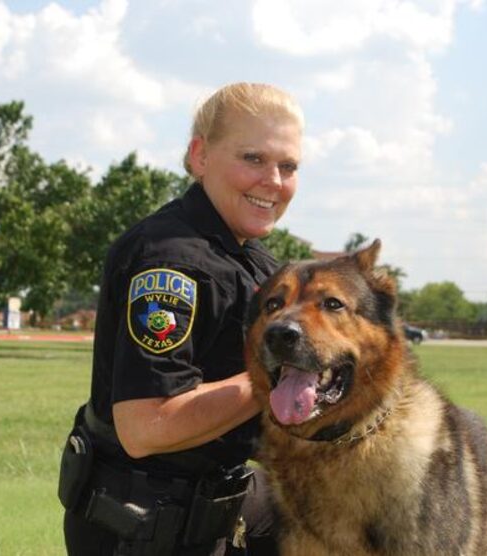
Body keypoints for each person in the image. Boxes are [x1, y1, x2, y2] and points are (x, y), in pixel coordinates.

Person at [58, 82, 303, 556]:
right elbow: (147, 426)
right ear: (199, 156)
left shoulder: (256, 263)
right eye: (253, 158)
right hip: (145, 528)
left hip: (219, 502)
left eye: (288, 166)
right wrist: (278, 376)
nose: (273, 180)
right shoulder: (171, 262)